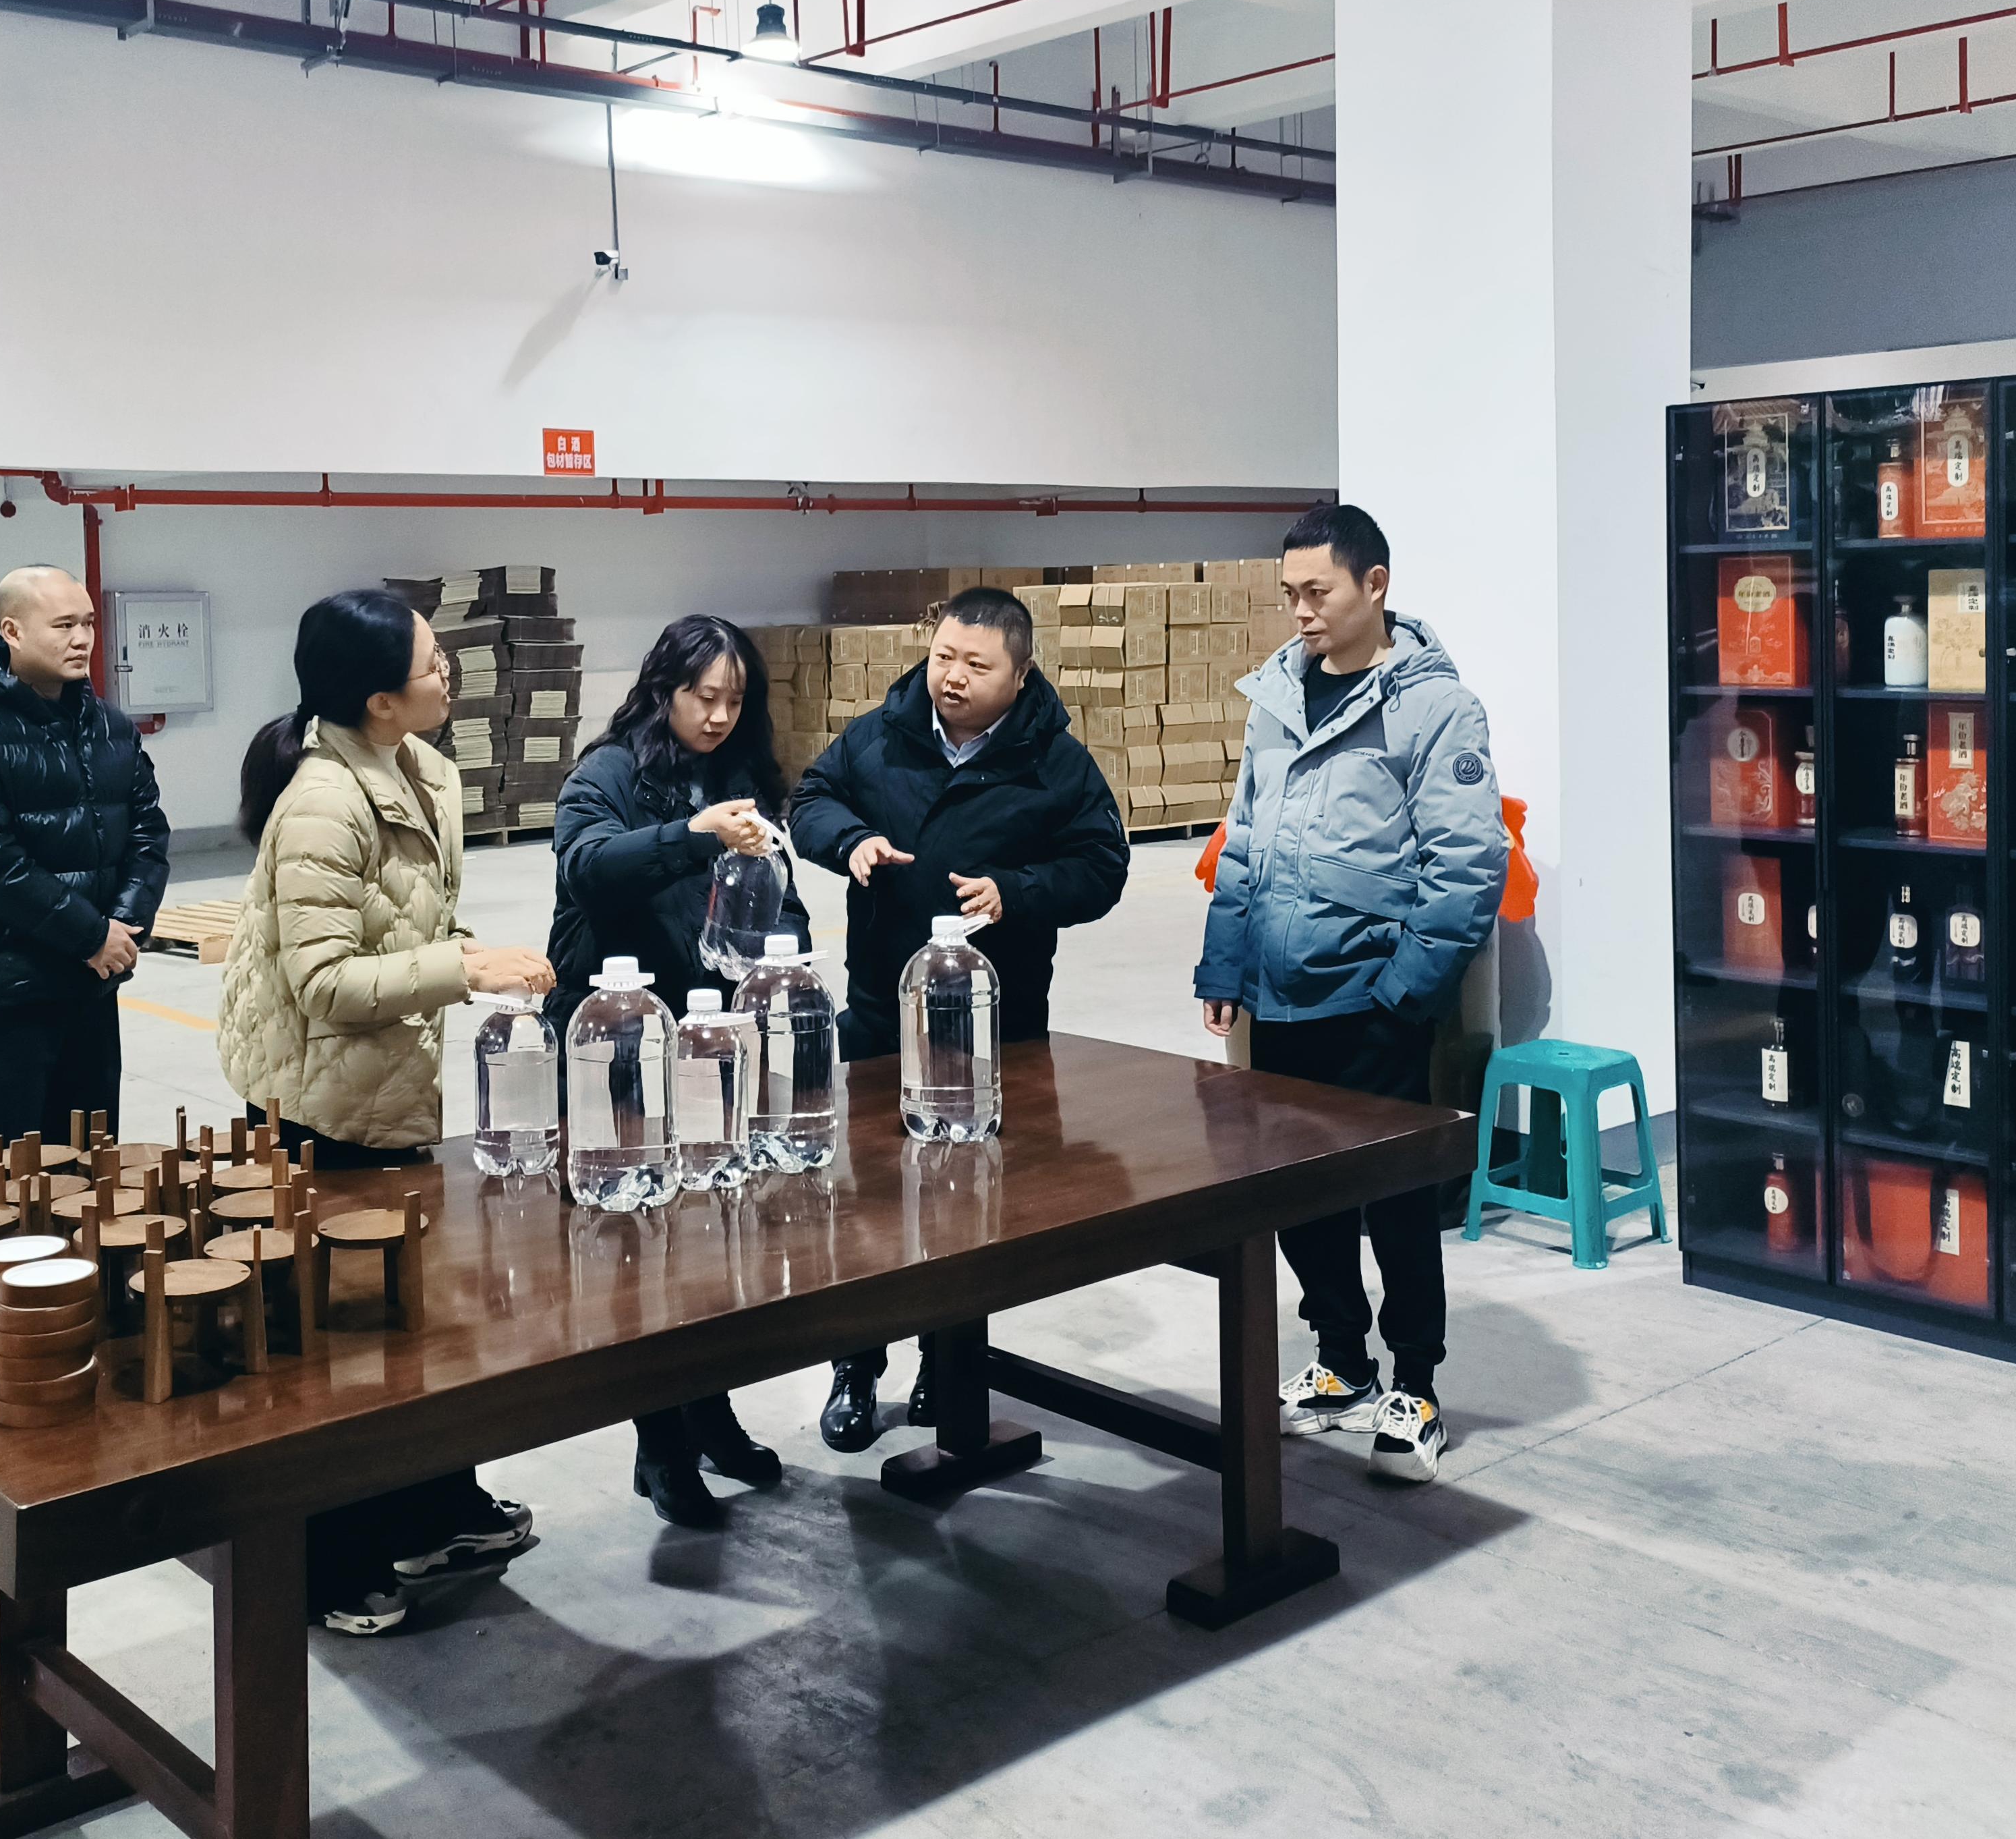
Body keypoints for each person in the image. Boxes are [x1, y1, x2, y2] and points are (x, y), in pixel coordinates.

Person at [216, 588, 554, 1636]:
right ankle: (328, 1559)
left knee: (421, 1316)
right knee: (341, 1344)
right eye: (430, 663)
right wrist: (463, 968)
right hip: (320, 1103)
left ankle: (432, 1506)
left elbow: (408, 921)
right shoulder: (324, 800)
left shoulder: (422, 769)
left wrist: (467, 957)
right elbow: (321, 981)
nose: (446, 672)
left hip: (393, 1086)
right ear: (377, 699)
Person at [1194, 505, 1506, 1487]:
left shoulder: (1435, 708)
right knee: (1299, 1194)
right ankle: (1339, 1359)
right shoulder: (1276, 698)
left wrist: (1402, 995)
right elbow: (1242, 842)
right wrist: (1223, 965)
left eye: (1316, 592)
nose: (1300, 611)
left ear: (1374, 584)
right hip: (1277, 997)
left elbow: (1466, 866)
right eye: (1288, 594)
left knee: (1395, 1199)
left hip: (1371, 1002)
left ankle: (1413, 1384)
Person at [790, 585, 1131, 1450]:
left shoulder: (1052, 761)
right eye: (944, 656)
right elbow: (811, 799)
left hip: (992, 1032)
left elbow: (1101, 867)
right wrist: (848, 841)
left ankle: (947, 1366)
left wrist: (1016, 892)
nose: (951, 677)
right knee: (862, 1203)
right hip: (878, 1019)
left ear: (1019, 675)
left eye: (976, 665)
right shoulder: (880, 734)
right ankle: (854, 1365)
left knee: (968, 1210)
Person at [547, 615, 802, 1528]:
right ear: (664, 690)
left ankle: (711, 1413)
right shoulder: (608, 772)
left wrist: (783, 967)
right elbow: (586, 867)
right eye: (703, 696)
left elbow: (779, 898)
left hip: (711, 1039)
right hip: (615, 1038)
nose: (719, 715)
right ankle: (658, 1444)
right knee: (633, 1247)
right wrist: (693, 833)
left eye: (735, 699)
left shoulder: (742, 777)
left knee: (712, 1237)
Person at [0, 568, 168, 1155]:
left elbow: (148, 831)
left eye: (88, 623)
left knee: (90, 1144)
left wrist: (122, 927)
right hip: (7, 976)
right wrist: (89, 934)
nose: (82, 639)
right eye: (63, 625)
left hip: (93, 972)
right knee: (11, 1156)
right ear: (13, 631)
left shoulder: (108, 726)